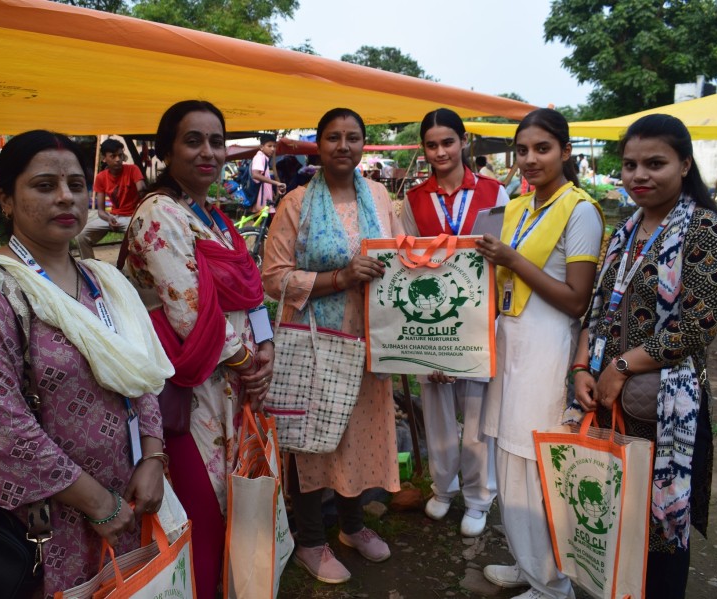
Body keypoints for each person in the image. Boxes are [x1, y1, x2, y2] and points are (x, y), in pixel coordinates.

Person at [0, 130, 174, 597]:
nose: (66, 197)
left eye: (76, 185)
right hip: (47, 521)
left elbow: (141, 372)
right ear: (6, 200)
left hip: (128, 501)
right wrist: (97, 503)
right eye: (45, 185)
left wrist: (152, 456)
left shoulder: (102, 281)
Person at [569, 114, 717, 599]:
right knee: (609, 518)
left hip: (663, 411)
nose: (639, 175)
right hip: (609, 403)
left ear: (684, 164)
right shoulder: (627, 230)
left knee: (658, 534)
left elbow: (698, 325)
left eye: (655, 163)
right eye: (630, 165)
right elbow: (599, 309)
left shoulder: (705, 229)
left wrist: (622, 366)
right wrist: (582, 367)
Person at [121, 100, 275, 599]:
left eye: (216, 141)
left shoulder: (212, 215)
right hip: (189, 392)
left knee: (231, 502)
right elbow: (189, 312)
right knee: (202, 513)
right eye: (193, 141)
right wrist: (250, 363)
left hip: (230, 384)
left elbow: (249, 291)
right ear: (166, 151)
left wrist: (265, 344)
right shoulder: (159, 213)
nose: (208, 152)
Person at [263, 107, 403, 584]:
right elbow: (273, 278)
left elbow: (401, 257)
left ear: (364, 144)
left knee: (356, 437)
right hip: (315, 343)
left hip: (369, 340)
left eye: (353, 137)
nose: (344, 146)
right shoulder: (296, 203)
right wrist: (340, 278)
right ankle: (310, 540)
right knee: (310, 441)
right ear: (318, 145)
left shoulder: (380, 197)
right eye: (333, 137)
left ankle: (351, 526)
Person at [476, 108, 603, 599]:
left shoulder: (581, 210)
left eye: (542, 149)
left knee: (534, 464)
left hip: (547, 348)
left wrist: (512, 259)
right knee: (508, 458)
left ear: (566, 151)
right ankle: (529, 563)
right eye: (522, 150)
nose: (530, 159)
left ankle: (551, 585)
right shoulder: (519, 207)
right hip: (511, 340)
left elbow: (577, 299)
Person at [401, 108, 507, 538]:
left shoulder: (495, 191)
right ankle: (443, 488)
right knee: (437, 407)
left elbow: (505, 254)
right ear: (424, 149)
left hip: (481, 314)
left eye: (448, 142)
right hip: (432, 316)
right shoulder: (414, 199)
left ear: (464, 141)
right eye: (431, 145)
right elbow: (406, 260)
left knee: (479, 412)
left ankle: (479, 497)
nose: (440, 152)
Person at [75, 138, 146, 259]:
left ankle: (137, 267)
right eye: (113, 156)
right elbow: (101, 211)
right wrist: (108, 219)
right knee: (81, 236)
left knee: (137, 235)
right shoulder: (101, 177)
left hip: (132, 217)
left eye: (120, 155)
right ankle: (90, 265)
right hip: (113, 217)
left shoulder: (133, 169)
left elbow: (142, 191)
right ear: (104, 158)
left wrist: (143, 191)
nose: (118, 159)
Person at [251, 133, 286, 213]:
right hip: (261, 204)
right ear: (261, 147)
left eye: (274, 146)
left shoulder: (265, 158)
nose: (272, 149)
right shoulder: (260, 157)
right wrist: (276, 183)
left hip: (264, 202)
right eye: (269, 146)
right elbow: (255, 174)